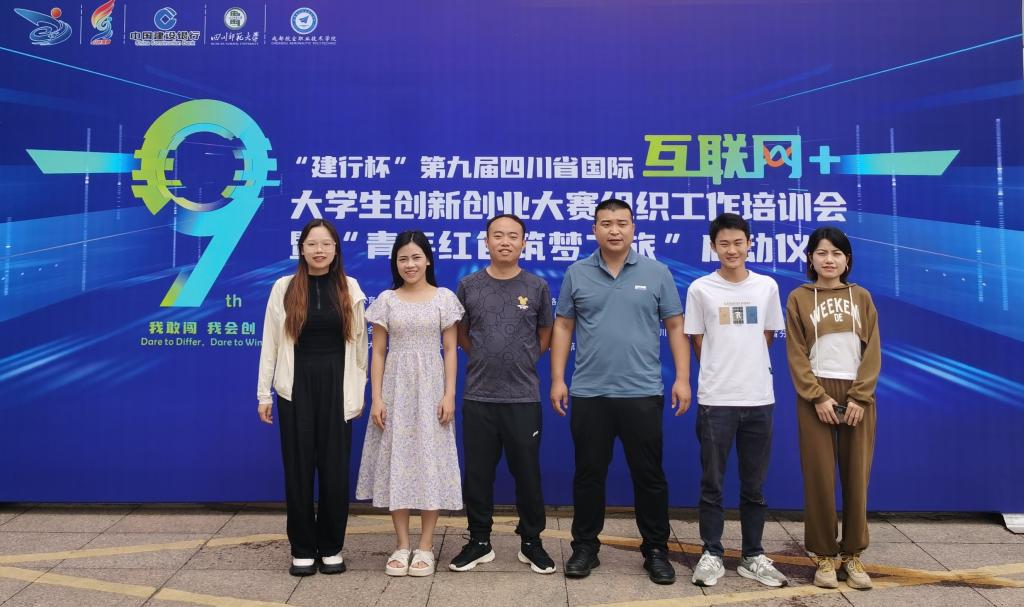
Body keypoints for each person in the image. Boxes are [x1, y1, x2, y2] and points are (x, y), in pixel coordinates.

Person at [550, 199, 691, 586]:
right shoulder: (577, 273)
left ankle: (656, 550)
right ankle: (585, 547)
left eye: (622, 223)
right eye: (606, 223)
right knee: (589, 474)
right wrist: (558, 379)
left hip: (641, 391)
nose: (614, 230)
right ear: (594, 229)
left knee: (649, 476)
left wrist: (682, 378)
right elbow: (563, 326)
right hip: (590, 392)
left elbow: (675, 326)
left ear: (633, 228)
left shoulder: (657, 272)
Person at [256, 218, 368, 577]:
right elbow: (271, 343)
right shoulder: (284, 287)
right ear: (301, 249)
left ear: (336, 250)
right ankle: (302, 549)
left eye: (326, 244)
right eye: (312, 244)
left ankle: (332, 546)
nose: (319, 250)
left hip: (338, 386)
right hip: (296, 387)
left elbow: (360, 349)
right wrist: (264, 393)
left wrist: (358, 392)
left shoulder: (350, 287)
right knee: (299, 469)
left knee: (335, 471)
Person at [684, 213, 788, 588]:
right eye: (724, 244)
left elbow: (767, 335)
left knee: (754, 486)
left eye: (738, 243)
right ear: (714, 247)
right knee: (712, 483)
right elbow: (698, 340)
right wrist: (721, 370)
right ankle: (711, 552)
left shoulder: (766, 287)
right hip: (716, 399)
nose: (731, 250)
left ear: (749, 244)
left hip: (759, 397)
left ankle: (752, 555)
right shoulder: (700, 289)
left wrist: (746, 366)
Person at [449, 214, 556, 574]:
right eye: (498, 236)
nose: (505, 242)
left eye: (513, 236)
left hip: (523, 396)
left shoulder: (537, 286)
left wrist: (523, 358)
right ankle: (479, 541)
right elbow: (461, 333)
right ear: (487, 241)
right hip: (479, 395)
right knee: (478, 474)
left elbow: (545, 333)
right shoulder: (469, 285)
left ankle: (532, 542)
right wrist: (482, 356)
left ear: (524, 243)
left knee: (528, 474)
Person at [356, 230, 464, 577]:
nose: (410, 264)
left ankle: (426, 546)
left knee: (430, 461)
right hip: (395, 388)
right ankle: (402, 544)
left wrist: (449, 394)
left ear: (428, 260)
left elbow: (451, 350)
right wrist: (377, 397)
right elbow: (379, 352)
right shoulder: (387, 300)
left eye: (416, 257)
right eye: (403, 258)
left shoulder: (444, 298)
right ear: (395, 263)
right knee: (398, 460)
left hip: (431, 387)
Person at [786, 226, 880, 590]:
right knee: (820, 479)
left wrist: (860, 397)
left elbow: (872, 352)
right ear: (810, 258)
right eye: (822, 253)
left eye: (836, 253)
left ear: (847, 259)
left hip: (857, 396)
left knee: (857, 479)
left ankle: (852, 555)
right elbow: (796, 352)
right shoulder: (799, 298)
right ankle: (824, 556)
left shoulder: (862, 297)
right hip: (817, 396)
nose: (829, 260)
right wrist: (817, 396)